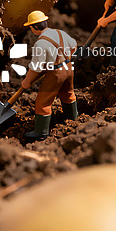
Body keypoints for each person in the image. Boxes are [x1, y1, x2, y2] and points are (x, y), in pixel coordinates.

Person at [21, 10, 78, 140]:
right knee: (68, 93)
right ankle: (73, 119)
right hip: (68, 68)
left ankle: (41, 132)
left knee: (43, 102)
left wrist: (27, 81)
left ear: (34, 27)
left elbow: (36, 67)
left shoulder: (40, 43)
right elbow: (74, 46)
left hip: (56, 73)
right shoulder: (59, 32)